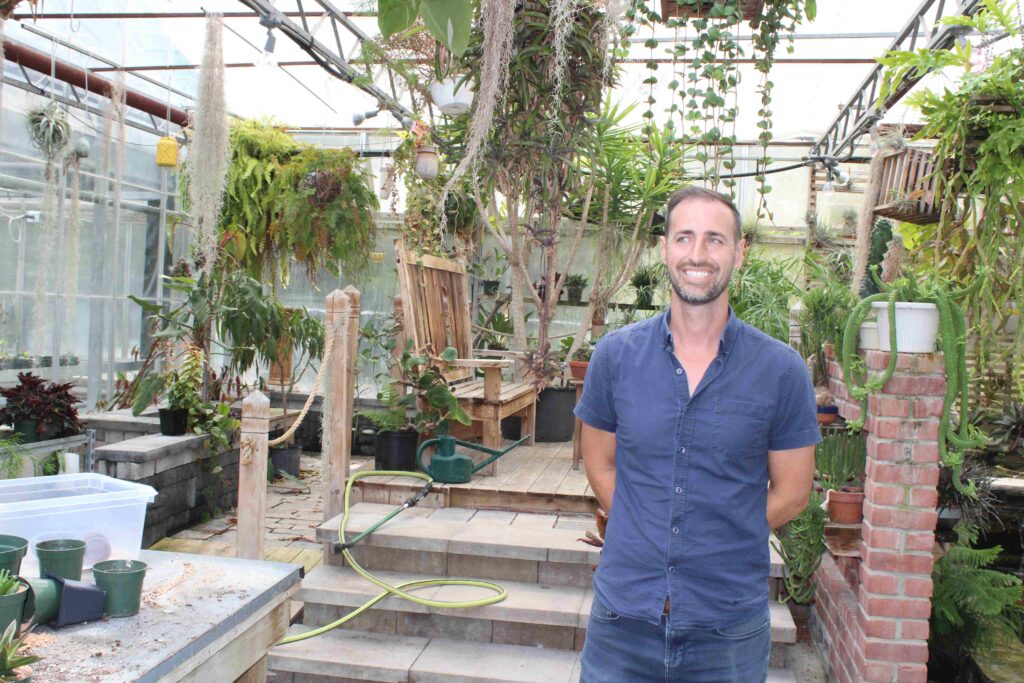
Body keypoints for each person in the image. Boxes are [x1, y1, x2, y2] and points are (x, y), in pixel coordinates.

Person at [575, 186, 820, 682]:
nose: (698, 255)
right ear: (664, 248)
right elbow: (599, 463)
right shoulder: (615, 357)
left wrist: (722, 535)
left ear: (739, 252)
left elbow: (793, 491)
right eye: (684, 237)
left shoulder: (780, 370)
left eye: (715, 239)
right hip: (623, 618)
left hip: (727, 624)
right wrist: (644, 529)